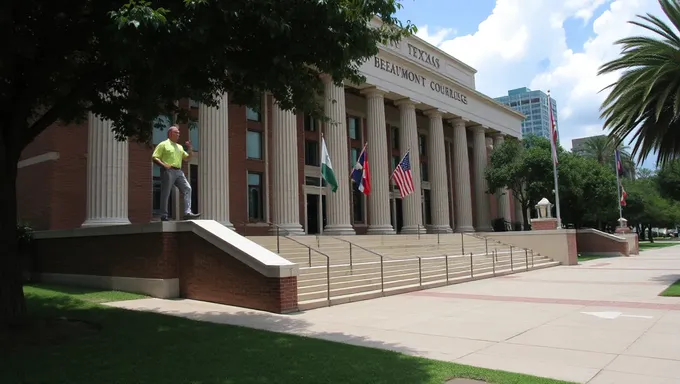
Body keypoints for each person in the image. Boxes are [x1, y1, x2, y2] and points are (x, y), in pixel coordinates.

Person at [151, 126, 201, 221]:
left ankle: (187, 212)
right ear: (170, 133)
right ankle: (164, 215)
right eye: (176, 132)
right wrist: (164, 165)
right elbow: (154, 157)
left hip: (179, 171)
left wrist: (190, 149)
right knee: (166, 192)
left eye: (178, 133)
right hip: (167, 171)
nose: (178, 134)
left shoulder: (179, 147)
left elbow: (187, 158)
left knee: (187, 188)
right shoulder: (163, 144)